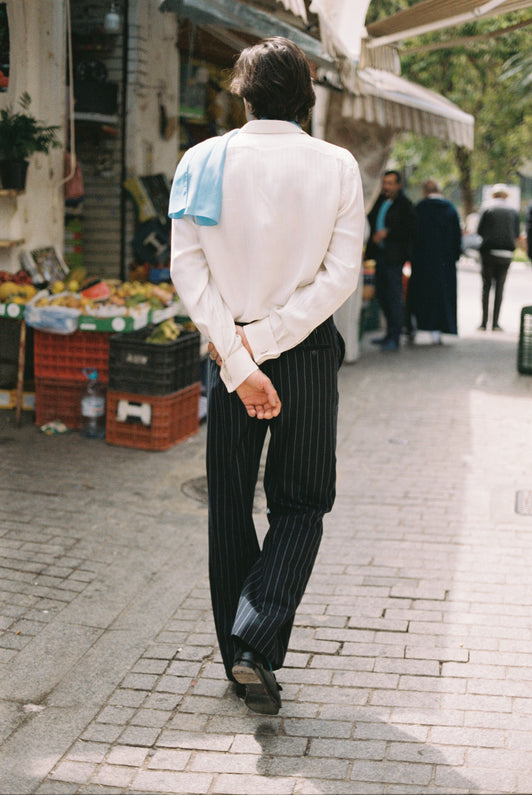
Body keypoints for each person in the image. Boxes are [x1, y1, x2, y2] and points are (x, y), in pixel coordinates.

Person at [168, 37, 365, 715]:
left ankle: (239, 653)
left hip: (228, 357)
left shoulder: (201, 159)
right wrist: (270, 342)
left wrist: (240, 354)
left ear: (241, 93)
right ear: (306, 95)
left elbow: (187, 268)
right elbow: (340, 276)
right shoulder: (337, 165)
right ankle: (256, 640)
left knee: (228, 502)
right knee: (301, 501)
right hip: (306, 354)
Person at [365, 170, 416, 351]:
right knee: (382, 295)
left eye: (390, 183)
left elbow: (409, 230)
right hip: (380, 255)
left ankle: (395, 335)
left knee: (394, 297)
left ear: (398, 185)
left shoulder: (405, 205)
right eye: (385, 183)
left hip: (395, 257)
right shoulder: (378, 201)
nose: (387, 187)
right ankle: (388, 334)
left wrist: (388, 232)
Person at [406, 180, 462, 344]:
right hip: (445, 262)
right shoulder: (450, 209)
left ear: (425, 192)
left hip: (423, 262)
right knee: (444, 295)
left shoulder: (420, 209)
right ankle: (443, 329)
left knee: (423, 295)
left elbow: (413, 236)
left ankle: (423, 328)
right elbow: (457, 238)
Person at [476, 184, 520, 331]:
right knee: (500, 288)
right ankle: (495, 323)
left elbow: (480, 230)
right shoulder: (513, 210)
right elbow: (516, 233)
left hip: (489, 252)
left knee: (486, 286)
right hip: (506, 253)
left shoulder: (487, 208)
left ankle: (483, 322)